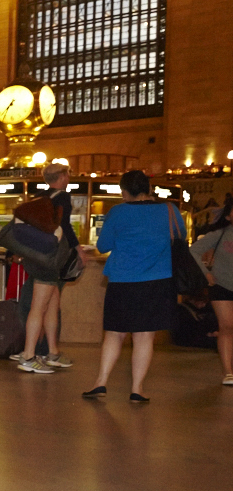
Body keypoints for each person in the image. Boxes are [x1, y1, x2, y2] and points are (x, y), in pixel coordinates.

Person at [83, 170, 185, 403]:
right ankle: (137, 388)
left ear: (124, 191)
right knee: (144, 336)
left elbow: (103, 245)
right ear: (148, 188)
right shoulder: (169, 210)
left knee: (115, 334)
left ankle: (101, 382)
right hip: (157, 281)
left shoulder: (118, 212)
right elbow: (180, 236)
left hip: (122, 281)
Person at [11, 163, 84, 373]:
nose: (68, 178)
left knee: (52, 303)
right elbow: (66, 226)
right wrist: (78, 249)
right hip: (50, 257)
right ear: (62, 177)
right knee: (39, 306)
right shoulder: (62, 197)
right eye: (67, 175)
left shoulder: (38, 196)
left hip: (36, 256)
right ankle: (28, 356)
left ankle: (52, 352)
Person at [190, 199, 233, 384]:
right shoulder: (220, 234)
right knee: (226, 326)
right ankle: (228, 372)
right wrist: (206, 273)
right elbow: (193, 251)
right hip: (221, 285)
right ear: (229, 216)